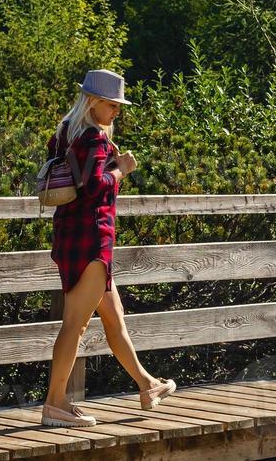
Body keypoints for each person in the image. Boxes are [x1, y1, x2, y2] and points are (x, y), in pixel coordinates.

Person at [41, 69, 177, 427]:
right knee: (75, 326)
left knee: (115, 322)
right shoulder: (93, 137)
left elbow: (76, 181)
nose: (116, 111)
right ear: (93, 101)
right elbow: (94, 188)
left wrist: (110, 165)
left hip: (72, 236)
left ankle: (147, 386)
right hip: (92, 240)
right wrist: (122, 170)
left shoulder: (65, 134)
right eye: (111, 104)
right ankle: (55, 403)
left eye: (118, 105)